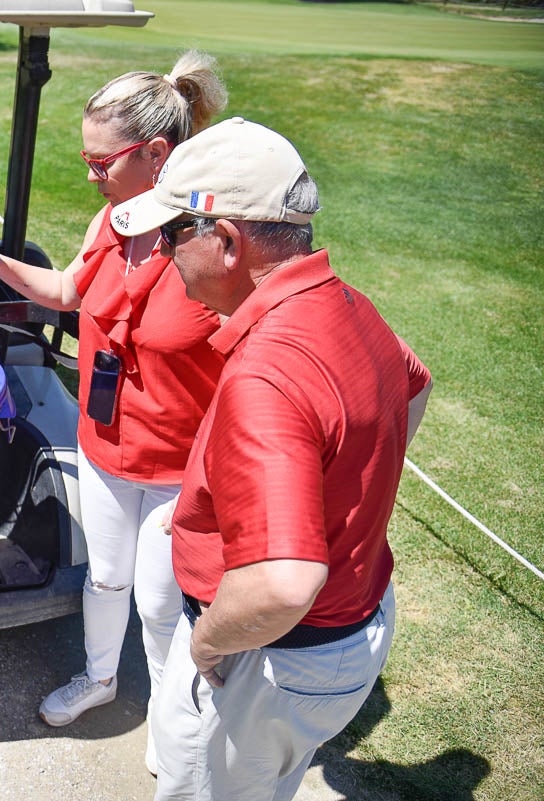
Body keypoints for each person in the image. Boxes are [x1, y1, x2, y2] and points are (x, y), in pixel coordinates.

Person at [109, 117, 433, 800]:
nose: (162, 252)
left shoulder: (268, 374)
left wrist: (204, 646)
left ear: (225, 240)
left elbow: (283, 584)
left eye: (172, 235)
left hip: (273, 652)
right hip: (342, 632)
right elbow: (413, 383)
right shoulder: (346, 302)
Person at [0, 52, 228, 761]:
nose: (90, 172)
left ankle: (174, 725)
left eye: (101, 160)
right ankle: (100, 678)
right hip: (106, 444)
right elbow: (67, 293)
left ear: (158, 153)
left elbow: (255, 350)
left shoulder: (211, 242)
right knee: (107, 577)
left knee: (160, 601)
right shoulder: (112, 219)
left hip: (180, 464)